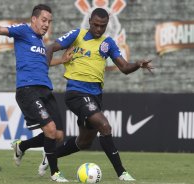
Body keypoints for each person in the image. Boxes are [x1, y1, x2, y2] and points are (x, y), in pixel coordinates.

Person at [40, 8, 154, 181]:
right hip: (76, 92)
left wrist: (137, 64)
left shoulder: (107, 43)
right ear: (90, 22)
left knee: (84, 142)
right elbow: (51, 47)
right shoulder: (77, 35)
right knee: (105, 126)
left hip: (95, 96)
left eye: (103, 26)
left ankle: (51, 155)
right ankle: (122, 173)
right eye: (96, 25)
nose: (99, 29)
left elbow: (124, 67)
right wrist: (43, 70)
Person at [0, 4, 71, 182]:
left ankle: (22, 146)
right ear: (33, 19)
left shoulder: (40, 42)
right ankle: (55, 173)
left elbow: (43, 63)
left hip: (45, 89)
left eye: (49, 22)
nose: (46, 24)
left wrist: (61, 60)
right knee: (50, 130)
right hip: (28, 89)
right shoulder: (22, 30)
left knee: (58, 135)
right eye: (44, 20)